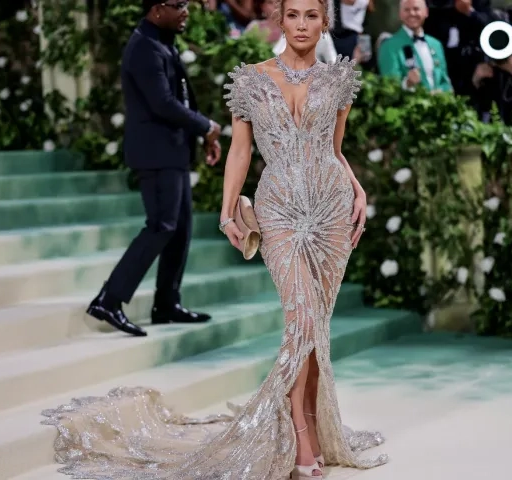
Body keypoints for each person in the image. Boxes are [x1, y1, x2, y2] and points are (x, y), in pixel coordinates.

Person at [41, 0, 385, 478]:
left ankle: (310, 424)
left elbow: (333, 150)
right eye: (293, 15)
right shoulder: (250, 79)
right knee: (301, 321)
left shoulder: (338, 79)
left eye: (312, 15)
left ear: (324, 21)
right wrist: (228, 208)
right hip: (280, 210)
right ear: (278, 20)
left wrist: (358, 187)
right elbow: (241, 151)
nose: (302, 24)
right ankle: (301, 441)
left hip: (331, 209)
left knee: (317, 331)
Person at [83, 0, 222, 337]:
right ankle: (109, 299)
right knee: (161, 226)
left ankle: (166, 303)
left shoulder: (160, 42)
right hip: (156, 154)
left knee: (181, 228)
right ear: (157, 9)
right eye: (178, 5)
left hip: (172, 152)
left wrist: (203, 134)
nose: (186, 11)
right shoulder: (144, 47)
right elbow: (162, 103)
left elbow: (182, 97)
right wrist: (205, 126)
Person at [378, 0, 453, 93]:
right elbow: (389, 88)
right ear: (400, 14)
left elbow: (444, 82)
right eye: (407, 10)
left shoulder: (436, 44)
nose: (412, 13)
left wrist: (441, 93)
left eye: (416, 9)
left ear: (426, 12)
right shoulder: (389, 46)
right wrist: (407, 83)